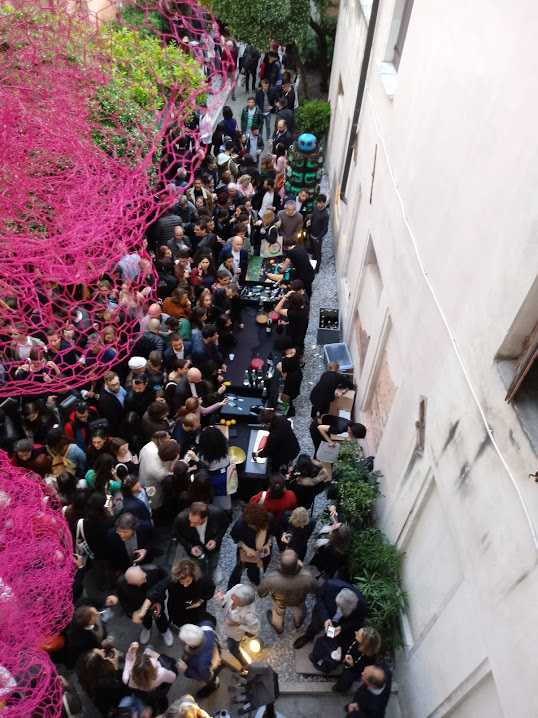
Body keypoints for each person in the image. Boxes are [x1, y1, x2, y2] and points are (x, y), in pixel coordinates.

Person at [143, 559, 215, 644]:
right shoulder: (172, 579)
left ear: (193, 576)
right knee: (179, 620)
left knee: (195, 620)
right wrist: (143, 609)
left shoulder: (203, 579)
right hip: (177, 606)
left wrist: (200, 601)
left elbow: (210, 590)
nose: (185, 585)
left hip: (195, 607)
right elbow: (156, 589)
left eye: (188, 581)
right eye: (182, 581)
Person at [293, 580, 368, 650]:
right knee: (314, 626)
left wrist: (342, 627)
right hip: (323, 613)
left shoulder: (362, 605)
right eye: (340, 607)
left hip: (342, 622)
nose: (340, 611)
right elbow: (319, 597)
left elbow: (357, 621)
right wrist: (325, 618)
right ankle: (308, 636)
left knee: (336, 638)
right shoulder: (329, 585)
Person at [257, 549, 317, 634]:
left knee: (278, 613)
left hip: (280, 601)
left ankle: (279, 628)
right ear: (297, 562)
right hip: (299, 599)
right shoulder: (307, 576)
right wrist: (303, 567)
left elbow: (261, 594)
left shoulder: (271, 578)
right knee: (299, 610)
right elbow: (314, 589)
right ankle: (298, 623)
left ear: (281, 563)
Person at [173, 501, 230, 580]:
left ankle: (213, 569)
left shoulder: (218, 514)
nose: (191, 524)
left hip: (213, 546)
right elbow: (177, 535)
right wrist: (190, 546)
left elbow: (225, 525)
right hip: (193, 545)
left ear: (204, 518)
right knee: (197, 563)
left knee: (213, 560)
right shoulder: (181, 519)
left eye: (195, 522)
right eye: (190, 520)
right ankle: (200, 574)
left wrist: (216, 540)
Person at [214, 583, 260, 669]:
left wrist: (237, 625)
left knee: (233, 649)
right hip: (229, 627)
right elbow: (227, 597)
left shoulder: (249, 615)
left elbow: (255, 630)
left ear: (241, 604)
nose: (233, 594)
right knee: (230, 640)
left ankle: (246, 665)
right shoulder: (238, 588)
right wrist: (223, 598)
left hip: (236, 633)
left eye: (235, 597)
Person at [122, 641, 177, 712]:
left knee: (152, 699)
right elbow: (173, 677)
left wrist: (131, 652)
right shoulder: (161, 672)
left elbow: (129, 660)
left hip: (145, 693)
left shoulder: (127, 678)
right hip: (157, 689)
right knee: (167, 663)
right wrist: (158, 656)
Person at [76, 647, 127, 716]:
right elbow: (120, 690)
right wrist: (116, 667)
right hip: (114, 702)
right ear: (101, 666)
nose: (102, 650)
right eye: (104, 657)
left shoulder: (86, 673)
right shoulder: (105, 683)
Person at [331, 626, 382, 694]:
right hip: (347, 658)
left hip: (354, 669)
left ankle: (340, 689)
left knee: (347, 677)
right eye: (358, 631)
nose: (355, 632)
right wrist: (340, 648)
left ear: (364, 643)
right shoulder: (354, 638)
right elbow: (345, 641)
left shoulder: (369, 656)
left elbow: (362, 670)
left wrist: (352, 665)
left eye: (358, 635)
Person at [177, 622, 221, 699]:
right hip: (213, 651)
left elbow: (205, 677)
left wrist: (187, 670)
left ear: (192, 646)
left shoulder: (202, 663)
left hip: (209, 667)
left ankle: (214, 684)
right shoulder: (206, 626)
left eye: (183, 642)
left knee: (211, 678)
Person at [276, 341, 302, 416]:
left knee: (287, 394)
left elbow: (284, 374)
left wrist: (279, 368)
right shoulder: (296, 350)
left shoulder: (286, 360)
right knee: (294, 390)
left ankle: (290, 411)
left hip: (291, 379)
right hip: (298, 374)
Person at [306, 193, 330, 272]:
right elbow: (313, 216)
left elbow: (325, 229)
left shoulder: (325, 215)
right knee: (313, 251)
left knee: (317, 253)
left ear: (324, 203)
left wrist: (318, 238)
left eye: (321, 203)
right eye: (318, 203)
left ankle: (316, 269)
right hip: (311, 233)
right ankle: (312, 263)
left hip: (317, 237)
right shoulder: (315, 208)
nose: (319, 205)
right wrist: (310, 221)